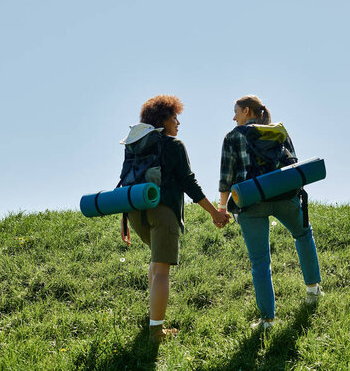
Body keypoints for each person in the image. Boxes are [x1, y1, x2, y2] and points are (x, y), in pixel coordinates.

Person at [120, 94, 230, 343]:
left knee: (155, 264)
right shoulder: (174, 146)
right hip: (163, 211)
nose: (178, 123)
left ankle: (152, 321)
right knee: (162, 270)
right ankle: (156, 332)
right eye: (174, 117)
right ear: (163, 120)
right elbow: (189, 183)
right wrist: (215, 213)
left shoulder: (135, 145)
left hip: (136, 210)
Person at [217, 95, 323, 330]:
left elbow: (226, 177)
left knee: (260, 261)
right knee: (303, 235)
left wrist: (222, 208)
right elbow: (293, 163)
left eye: (236, 111)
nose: (234, 117)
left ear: (246, 111)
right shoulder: (279, 131)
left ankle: (268, 320)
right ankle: (313, 290)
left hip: (250, 200)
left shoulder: (233, 137)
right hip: (284, 195)